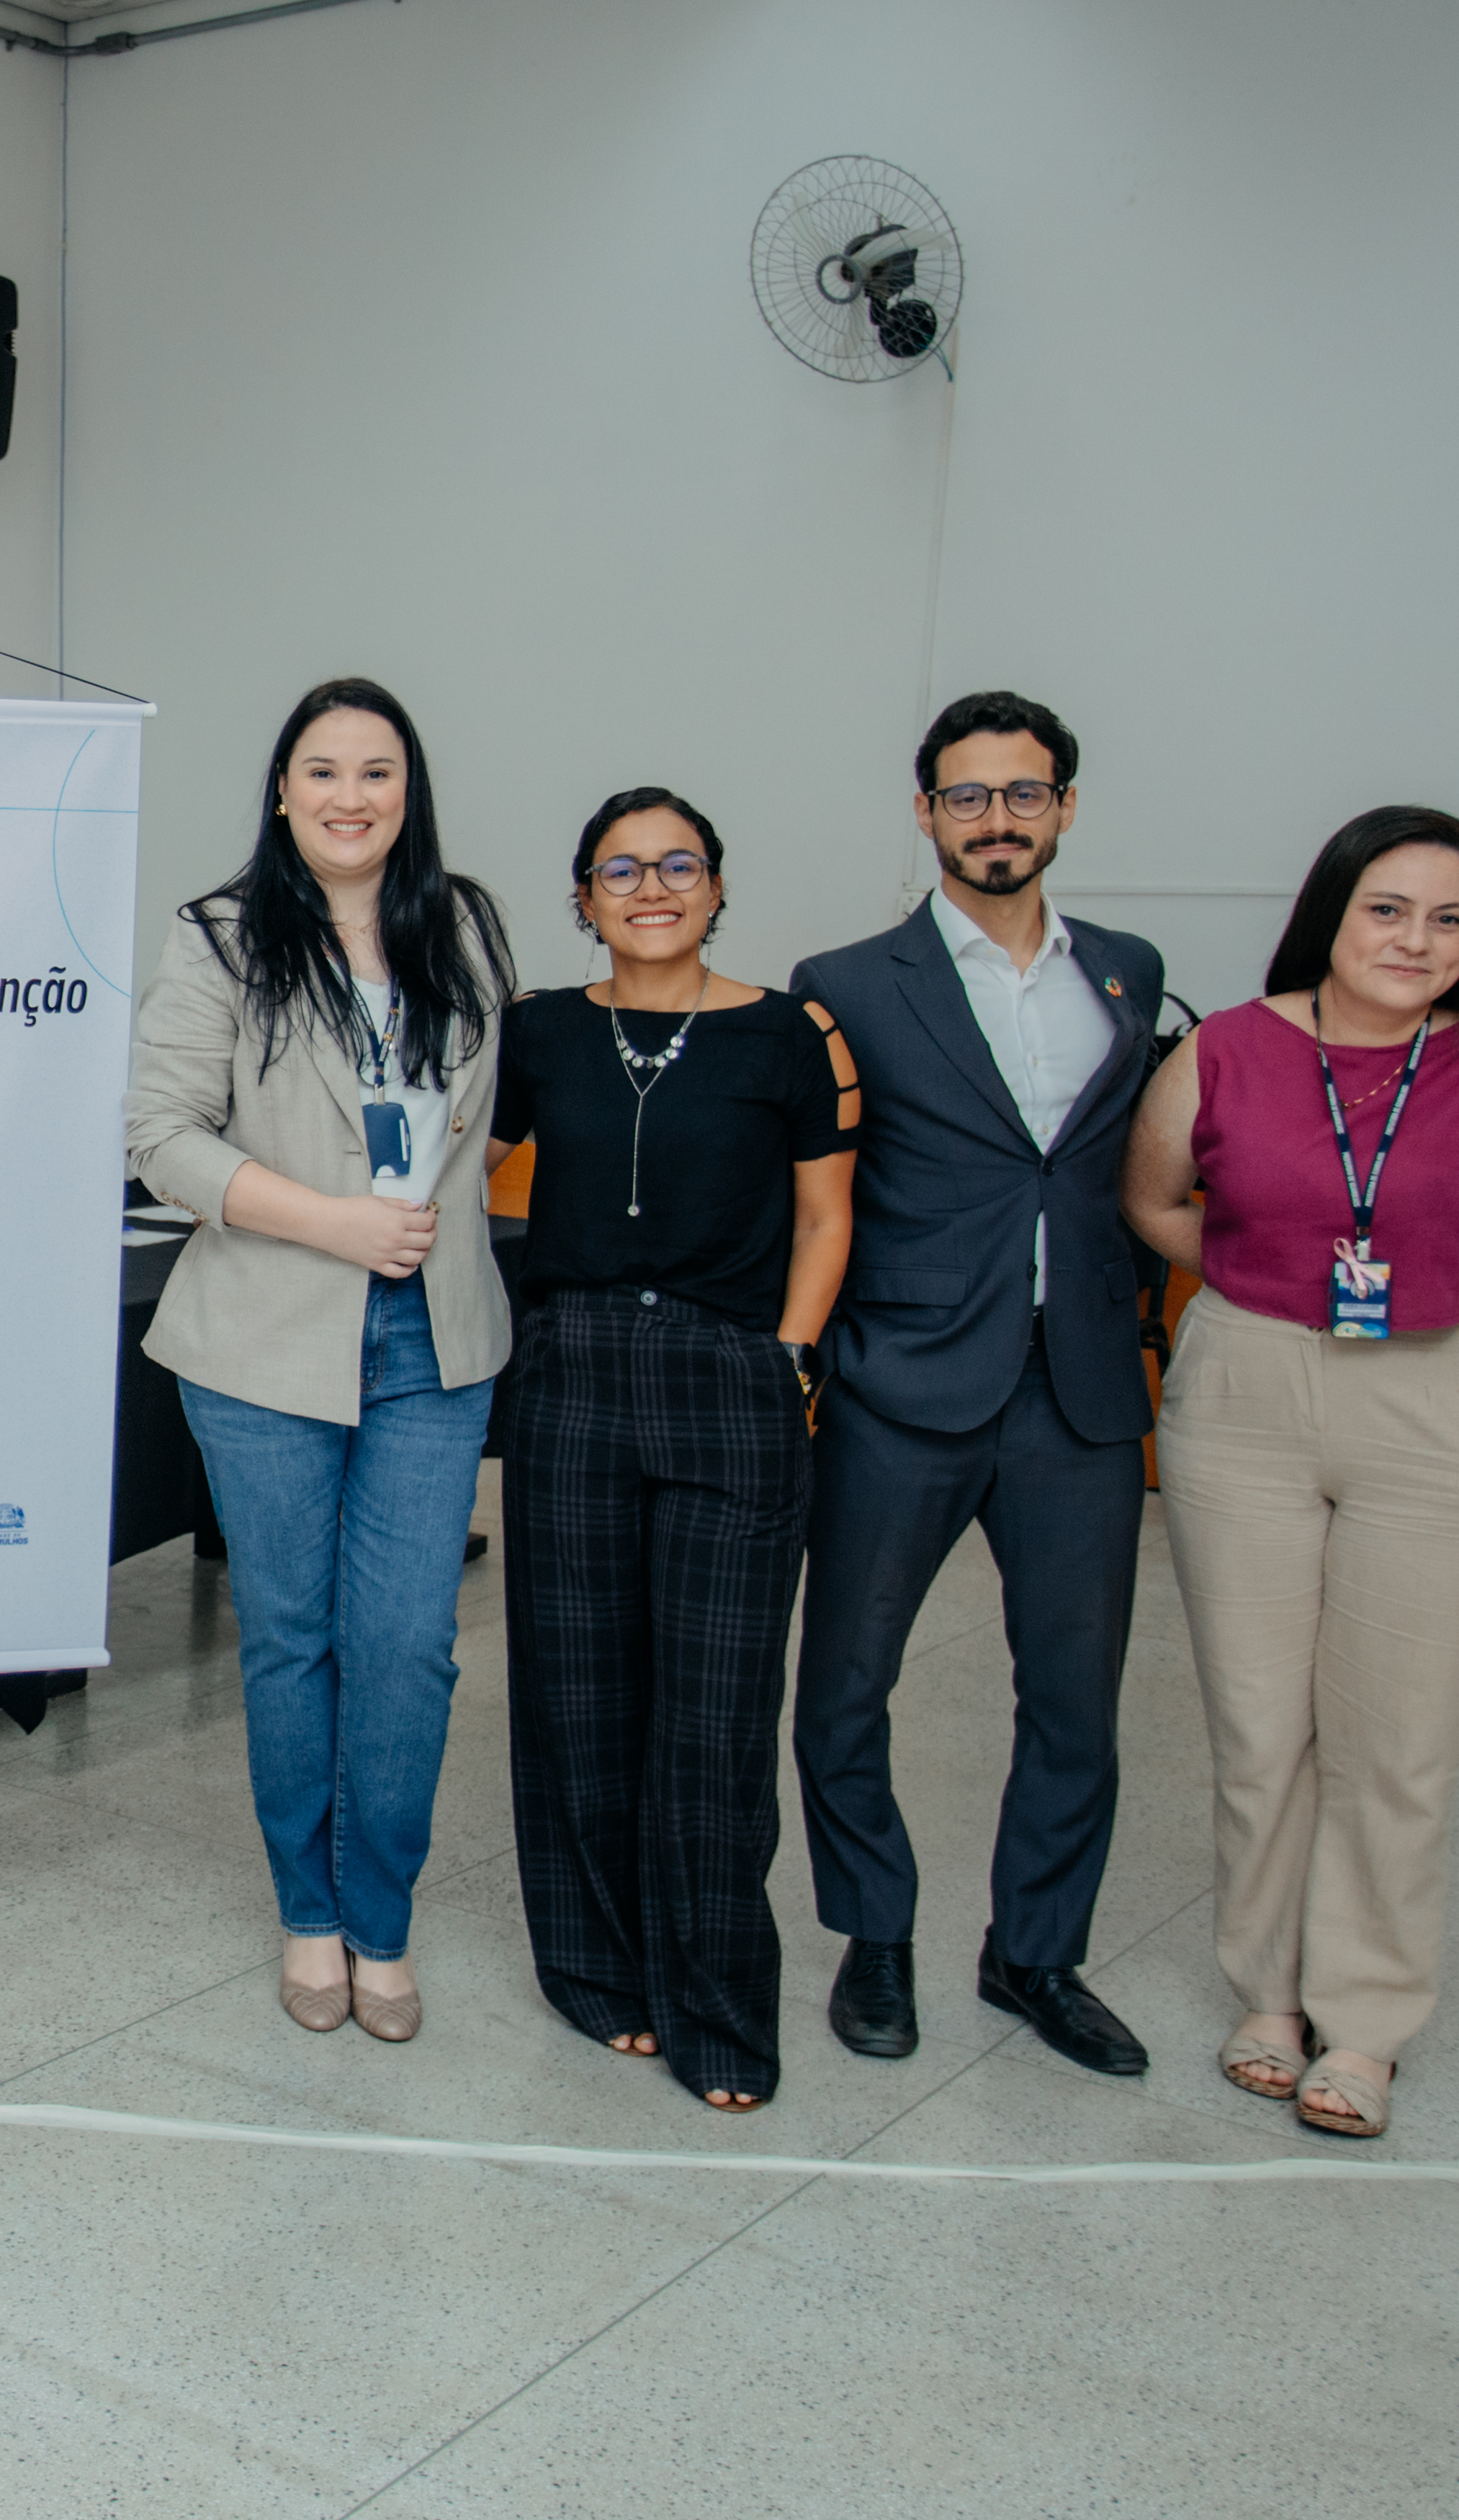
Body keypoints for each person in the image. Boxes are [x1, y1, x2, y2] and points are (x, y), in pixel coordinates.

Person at [1124, 807, 1459, 2141]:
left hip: (1440, 1396)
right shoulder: (1229, 1046)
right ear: (1333, 912)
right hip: (1245, 1395)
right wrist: (1251, 1279)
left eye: (1449, 919)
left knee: (1398, 1739)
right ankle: (1269, 1999)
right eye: (1389, 909)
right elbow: (1155, 1199)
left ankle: (1369, 2024)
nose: (1416, 940)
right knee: (1257, 1721)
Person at [124, 678, 514, 2046]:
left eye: (378, 772)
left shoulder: (460, 924)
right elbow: (159, 1134)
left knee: (406, 1646)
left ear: (409, 793)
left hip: (435, 1333)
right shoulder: (222, 937)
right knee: (293, 1639)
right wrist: (332, 1218)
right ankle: (307, 1911)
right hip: (266, 1335)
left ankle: (381, 1919)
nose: (352, 796)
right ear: (283, 790)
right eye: (323, 769)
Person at [787, 691, 1163, 2076]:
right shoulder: (844, 979)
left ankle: (1036, 1953)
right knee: (845, 1682)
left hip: (1078, 1394)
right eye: (967, 795)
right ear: (925, 808)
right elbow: (814, 1188)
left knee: (1076, 1696)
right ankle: (874, 1933)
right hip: (905, 1379)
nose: (995, 819)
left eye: (1022, 794)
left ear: (1064, 805)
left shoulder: (1125, 967)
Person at [490, 790, 856, 2112]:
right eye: (621, 869)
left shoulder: (787, 1032)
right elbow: (458, 1160)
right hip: (574, 1372)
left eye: (679, 864)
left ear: (716, 886)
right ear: (583, 896)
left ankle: (716, 2004)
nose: (653, 886)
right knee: (578, 1693)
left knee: (713, 1714)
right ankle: (599, 1974)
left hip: (730, 1376)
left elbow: (826, 1216)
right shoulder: (536, 1032)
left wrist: (792, 1357)